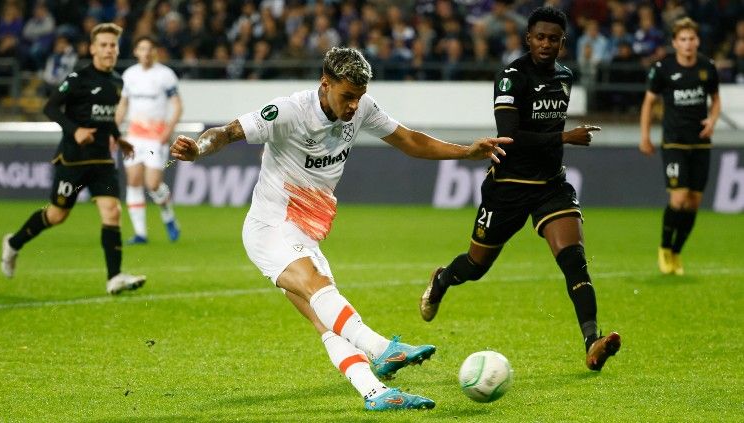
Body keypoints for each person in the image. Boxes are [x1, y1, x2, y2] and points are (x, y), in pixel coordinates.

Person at [169, 46, 511, 410]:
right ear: (325, 83)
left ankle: (376, 394)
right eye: (347, 96)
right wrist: (197, 151)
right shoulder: (288, 111)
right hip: (272, 226)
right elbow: (226, 132)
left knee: (327, 321)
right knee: (320, 290)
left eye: (359, 97)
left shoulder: (361, 107)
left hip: (305, 232)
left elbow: (408, 139)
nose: (353, 106)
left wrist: (465, 152)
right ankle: (384, 348)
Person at [418, 7, 621, 372]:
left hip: (550, 186)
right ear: (528, 39)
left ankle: (593, 341)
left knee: (574, 260)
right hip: (508, 186)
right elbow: (509, 138)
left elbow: (545, 131)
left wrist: (559, 141)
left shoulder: (564, 76)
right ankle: (442, 279)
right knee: (475, 266)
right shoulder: (511, 77)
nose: (546, 44)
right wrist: (564, 137)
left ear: (563, 42)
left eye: (554, 39)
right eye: (540, 37)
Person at [0, 23, 146, 295]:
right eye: (103, 45)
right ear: (92, 49)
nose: (108, 50)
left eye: (112, 45)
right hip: (74, 160)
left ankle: (114, 277)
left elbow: (103, 117)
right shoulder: (78, 79)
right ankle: (14, 243)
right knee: (57, 215)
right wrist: (75, 130)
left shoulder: (117, 81)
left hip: (102, 159)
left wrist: (118, 136)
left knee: (112, 211)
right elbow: (50, 107)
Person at [639, 17, 720, 275]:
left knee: (694, 203)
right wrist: (645, 136)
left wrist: (713, 119)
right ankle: (664, 248)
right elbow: (649, 103)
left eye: (692, 39)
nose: (688, 44)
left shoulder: (707, 67)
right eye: (683, 39)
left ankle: (677, 251)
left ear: (698, 41)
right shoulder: (663, 69)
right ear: (675, 43)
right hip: (674, 141)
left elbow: (716, 100)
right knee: (679, 198)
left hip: (701, 143)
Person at [115, 35, 183, 245]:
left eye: (149, 49)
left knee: (152, 184)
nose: (145, 53)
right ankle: (140, 233)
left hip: (156, 137)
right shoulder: (129, 75)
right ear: (136, 51)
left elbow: (178, 105)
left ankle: (168, 216)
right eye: (141, 48)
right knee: (133, 180)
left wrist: (168, 130)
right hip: (133, 136)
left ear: (154, 52)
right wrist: (114, 130)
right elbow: (123, 105)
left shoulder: (165, 75)